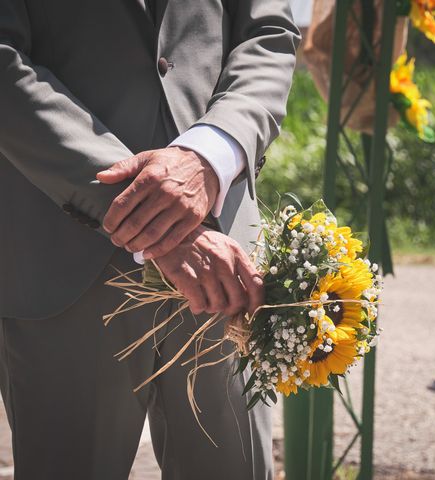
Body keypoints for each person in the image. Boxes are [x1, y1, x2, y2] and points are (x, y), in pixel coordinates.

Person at [0, 1, 300, 478]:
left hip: (225, 262)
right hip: (65, 260)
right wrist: (149, 213)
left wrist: (210, 154)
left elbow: (268, 34)